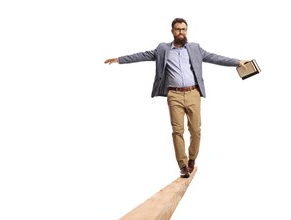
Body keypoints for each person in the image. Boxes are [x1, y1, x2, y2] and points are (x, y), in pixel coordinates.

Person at [105, 18, 248, 178]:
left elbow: (215, 58)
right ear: (172, 31)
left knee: (196, 131)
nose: (181, 32)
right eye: (178, 29)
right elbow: (142, 55)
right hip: (174, 95)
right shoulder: (162, 49)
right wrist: (119, 59)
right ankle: (183, 165)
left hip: (193, 93)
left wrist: (237, 62)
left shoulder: (195, 48)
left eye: (184, 29)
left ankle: (192, 158)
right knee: (177, 131)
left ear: (187, 31)